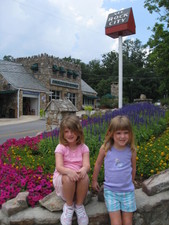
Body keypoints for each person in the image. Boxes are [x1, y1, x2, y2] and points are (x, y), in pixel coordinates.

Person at [92, 115, 137, 225]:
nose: (122, 136)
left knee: (128, 222)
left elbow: (133, 167)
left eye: (126, 133)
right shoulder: (106, 148)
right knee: (116, 222)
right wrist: (94, 180)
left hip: (127, 192)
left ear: (130, 133)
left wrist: (131, 182)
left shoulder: (131, 150)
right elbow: (98, 164)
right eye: (118, 133)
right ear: (111, 133)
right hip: (111, 192)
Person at [53, 115, 90, 225]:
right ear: (62, 134)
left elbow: (87, 165)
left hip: (78, 178)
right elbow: (59, 167)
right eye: (66, 131)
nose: (70, 134)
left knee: (85, 177)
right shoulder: (61, 147)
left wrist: (83, 170)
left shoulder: (84, 148)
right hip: (63, 177)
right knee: (69, 179)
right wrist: (69, 172)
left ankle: (79, 206)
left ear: (78, 132)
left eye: (73, 131)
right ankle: (69, 206)